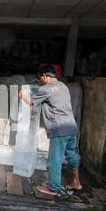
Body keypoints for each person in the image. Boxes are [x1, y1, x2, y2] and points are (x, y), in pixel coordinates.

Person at [19, 65, 82, 197]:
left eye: (40, 78)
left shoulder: (46, 89)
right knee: (71, 154)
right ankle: (77, 181)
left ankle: (53, 188)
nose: (40, 80)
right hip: (71, 126)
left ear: (44, 76)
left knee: (55, 159)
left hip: (59, 128)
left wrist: (22, 95)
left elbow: (31, 103)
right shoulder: (63, 86)